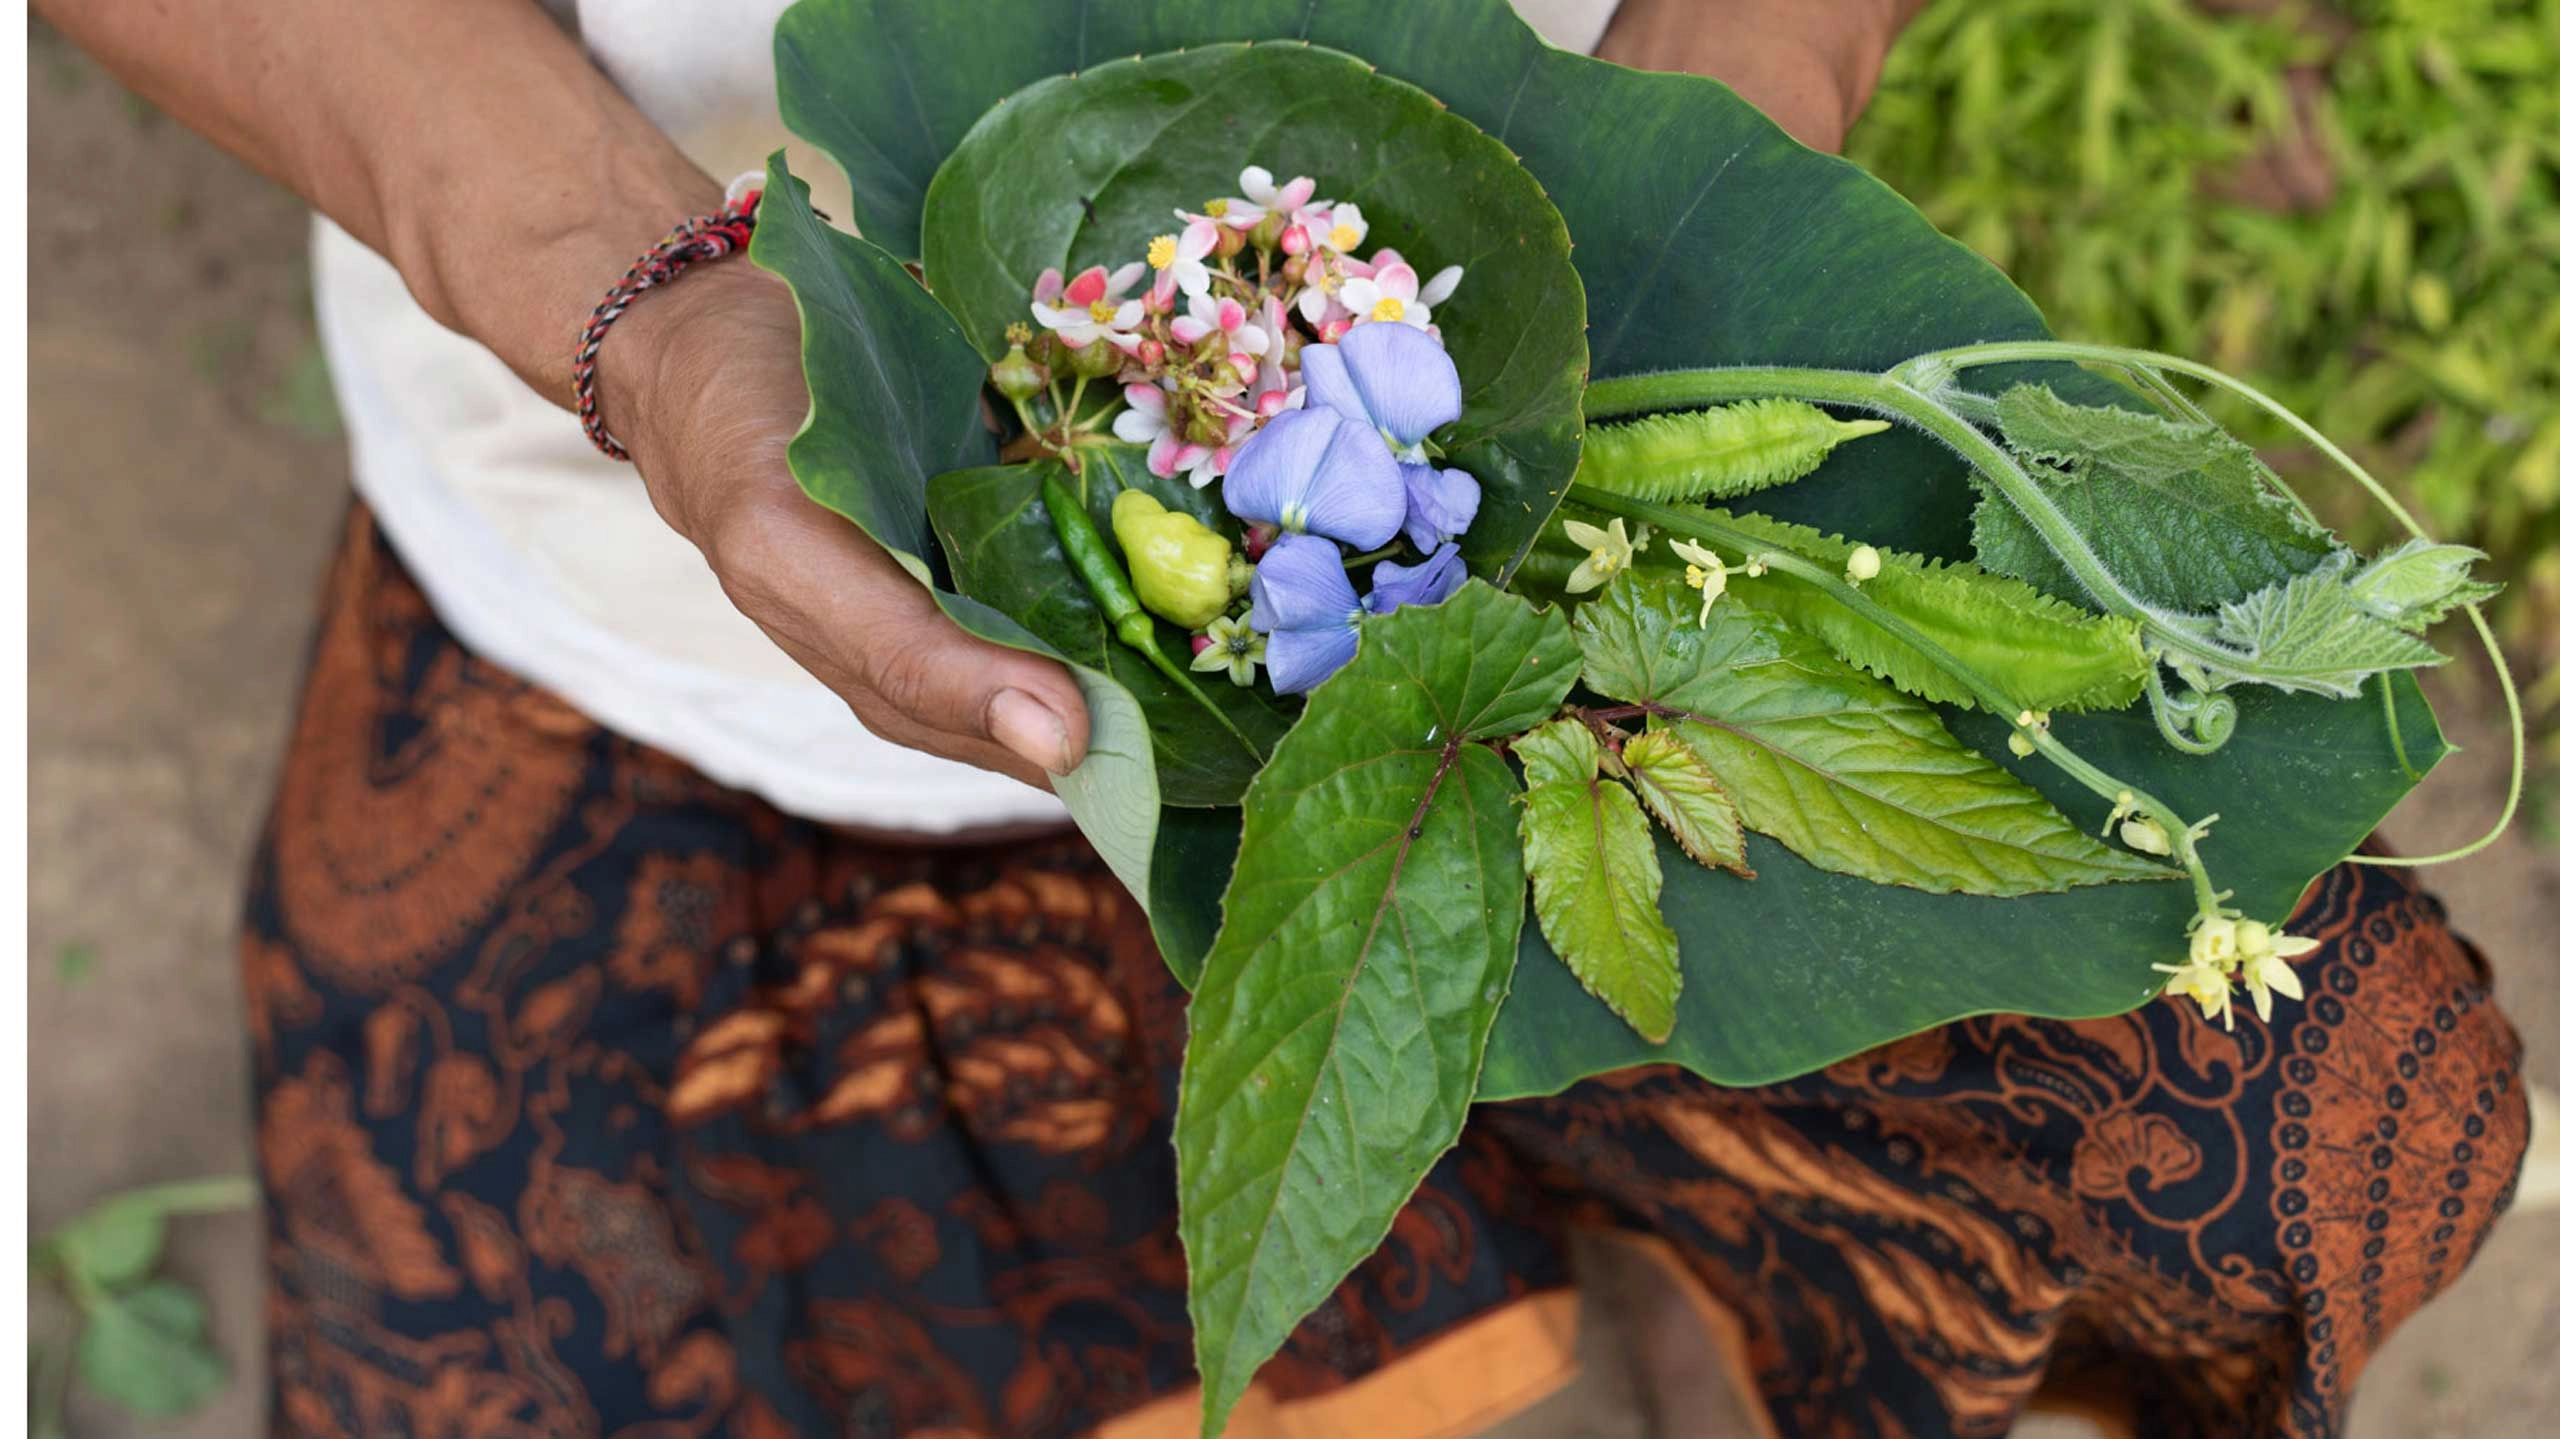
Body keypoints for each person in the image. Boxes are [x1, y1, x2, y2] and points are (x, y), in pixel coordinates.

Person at [42, 1, 2528, 1435]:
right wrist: (626, 298)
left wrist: (1696, 144)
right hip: (656, 561)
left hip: (1544, 526)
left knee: (2284, 1098)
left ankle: (1689, 1249)